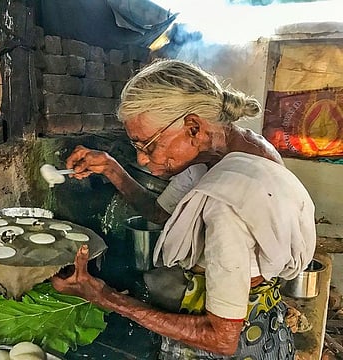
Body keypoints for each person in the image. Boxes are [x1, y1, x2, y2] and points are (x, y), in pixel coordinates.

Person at [51, 59, 316, 359]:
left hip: (237, 344)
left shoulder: (228, 202)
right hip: (262, 323)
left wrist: (104, 297)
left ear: (193, 127)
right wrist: (112, 169)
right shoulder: (228, 148)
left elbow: (221, 339)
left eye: (147, 145)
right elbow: (161, 214)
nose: (141, 160)